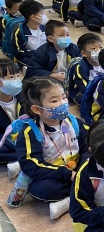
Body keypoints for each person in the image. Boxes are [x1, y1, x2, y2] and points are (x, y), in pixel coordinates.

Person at [16, 77, 87, 220]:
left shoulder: (73, 122)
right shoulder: (30, 132)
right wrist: (66, 174)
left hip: (76, 167)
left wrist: (84, 166)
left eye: (64, 97)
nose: (63, 103)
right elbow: (31, 164)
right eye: (54, 101)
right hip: (52, 174)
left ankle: (72, 197)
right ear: (37, 109)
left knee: (97, 165)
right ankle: (77, 196)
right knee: (45, 190)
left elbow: (87, 146)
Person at [0, 58, 25, 173]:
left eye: (17, 76)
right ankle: (26, 158)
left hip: (25, 135)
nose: (16, 80)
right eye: (11, 77)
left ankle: (20, 160)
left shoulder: (24, 97)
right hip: (5, 139)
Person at [9, 0, 47, 68]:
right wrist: (36, 53)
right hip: (28, 56)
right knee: (33, 64)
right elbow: (18, 51)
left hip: (44, 55)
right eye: (42, 13)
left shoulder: (45, 27)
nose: (44, 16)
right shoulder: (19, 31)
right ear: (33, 17)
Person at [68, 33, 103, 105]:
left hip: (103, 89)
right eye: (93, 48)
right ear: (84, 53)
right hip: (83, 91)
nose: (98, 51)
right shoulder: (81, 67)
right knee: (87, 100)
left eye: (100, 47)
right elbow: (86, 88)